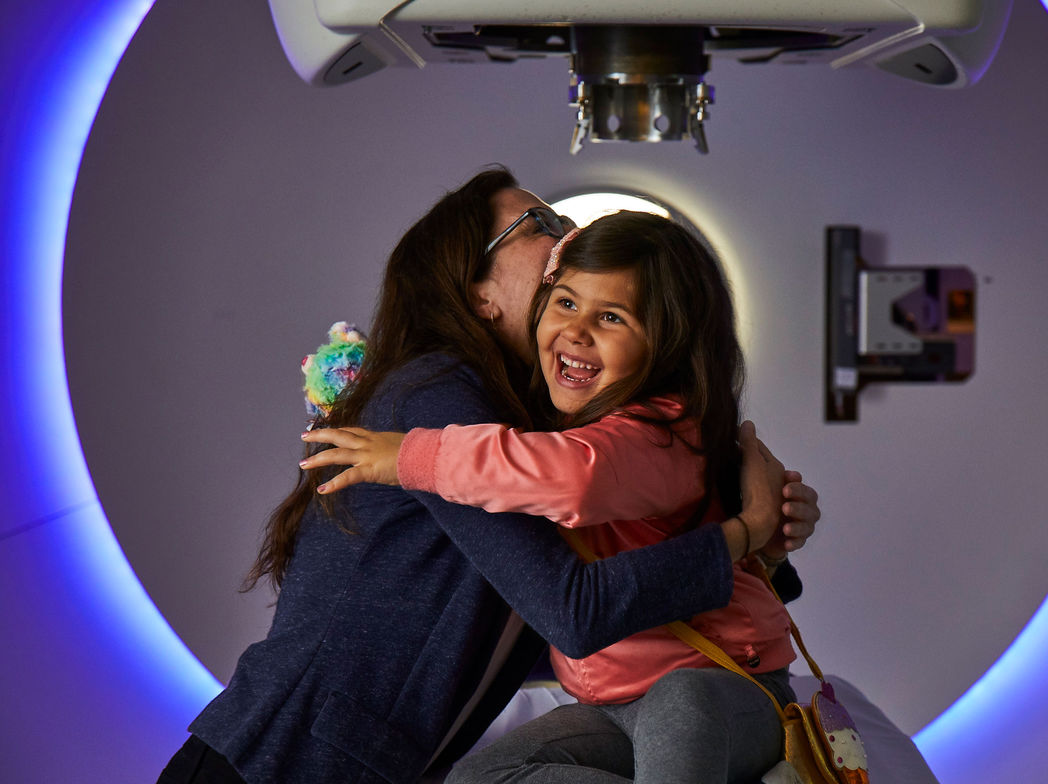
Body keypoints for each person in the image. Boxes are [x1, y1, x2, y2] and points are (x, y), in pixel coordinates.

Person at [157, 166, 819, 784]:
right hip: (278, 763)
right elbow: (570, 608)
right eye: (541, 226)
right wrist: (743, 533)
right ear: (478, 293)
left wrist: (768, 545)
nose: (568, 237)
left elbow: (515, 618)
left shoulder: (547, 425)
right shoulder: (436, 395)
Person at [300, 211, 798, 783]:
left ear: (669, 345)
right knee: (479, 779)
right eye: (564, 302)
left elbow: (572, 478)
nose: (577, 329)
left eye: (610, 316)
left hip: (725, 685)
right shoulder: (568, 424)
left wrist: (412, 456)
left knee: (682, 705)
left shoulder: (659, 432)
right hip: (612, 707)